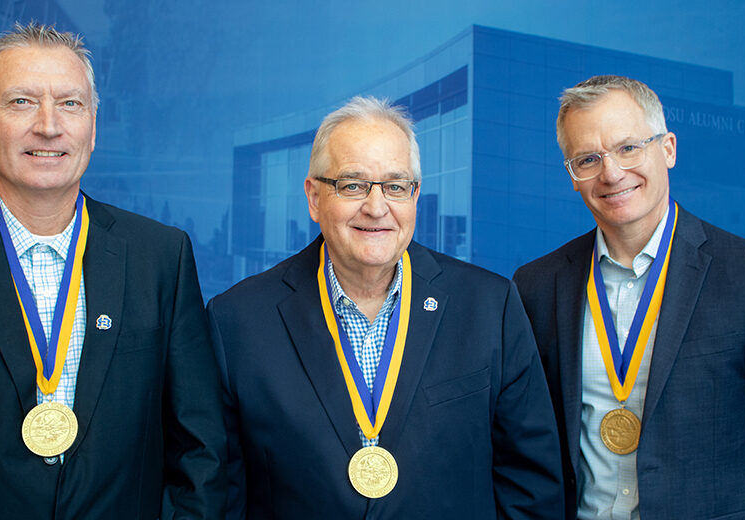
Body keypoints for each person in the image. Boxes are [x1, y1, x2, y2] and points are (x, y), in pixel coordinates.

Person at [0, 22, 226, 519]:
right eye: (21, 102)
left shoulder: (161, 257)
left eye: (70, 103)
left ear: (93, 128)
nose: (48, 125)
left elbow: (202, 452)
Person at [207, 96, 564, 519]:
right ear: (314, 197)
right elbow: (220, 495)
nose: (376, 208)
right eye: (352, 184)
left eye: (395, 186)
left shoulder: (491, 306)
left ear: (415, 195)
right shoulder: (238, 322)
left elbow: (531, 488)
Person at [513, 75, 745, 520]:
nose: (612, 173)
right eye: (588, 159)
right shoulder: (536, 286)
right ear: (572, 176)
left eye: (628, 148)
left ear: (668, 149)